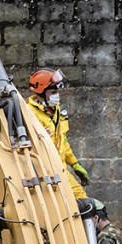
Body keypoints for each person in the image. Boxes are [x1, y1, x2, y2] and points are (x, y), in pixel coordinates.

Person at [27, 68, 88, 199]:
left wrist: (74, 164)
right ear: (41, 92)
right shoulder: (28, 113)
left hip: (60, 169)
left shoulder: (55, 110)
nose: (57, 95)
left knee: (83, 201)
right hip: (43, 172)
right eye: (53, 92)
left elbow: (62, 141)